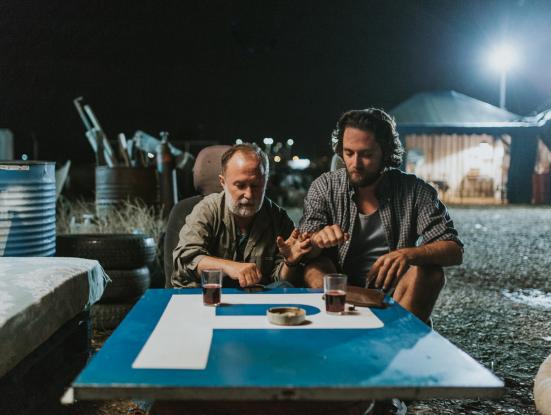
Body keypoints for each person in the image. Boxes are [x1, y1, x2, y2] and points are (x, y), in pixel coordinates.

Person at [300, 108, 463, 323]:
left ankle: (398, 333)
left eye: (366, 155)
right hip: (339, 292)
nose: (355, 163)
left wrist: (408, 254)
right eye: (348, 153)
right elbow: (303, 249)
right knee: (313, 268)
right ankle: (366, 303)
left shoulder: (415, 190)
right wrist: (316, 240)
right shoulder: (324, 187)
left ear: (385, 153)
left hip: (397, 294)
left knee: (431, 272)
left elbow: (454, 250)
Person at [171, 143, 311, 288]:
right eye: (240, 185)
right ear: (223, 182)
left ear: (266, 182)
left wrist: (290, 263)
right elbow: (185, 259)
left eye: (256, 185)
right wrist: (230, 267)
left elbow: (279, 281)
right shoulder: (207, 210)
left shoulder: (279, 219)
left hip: (255, 298)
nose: (249, 195)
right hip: (206, 296)